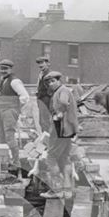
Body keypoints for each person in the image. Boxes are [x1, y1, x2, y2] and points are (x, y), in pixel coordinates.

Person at [41, 71, 78, 199]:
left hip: (60, 128)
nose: (51, 84)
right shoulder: (64, 90)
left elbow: (63, 102)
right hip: (68, 129)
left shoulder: (62, 91)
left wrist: (60, 113)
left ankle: (56, 189)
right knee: (64, 157)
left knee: (51, 157)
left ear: (59, 80)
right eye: (49, 82)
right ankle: (67, 190)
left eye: (53, 81)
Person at [0, 59, 30, 172]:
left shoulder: (15, 81)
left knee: (9, 135)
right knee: (1, 135)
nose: (3, 71)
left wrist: (16, 109)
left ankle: (16, 162)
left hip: (9, 110)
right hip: (0, 109)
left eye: (6, 69)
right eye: (2, 69)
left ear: (10, 69)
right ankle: (4, 159)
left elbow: (25, 97)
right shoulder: (3, 80)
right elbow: (4, 93)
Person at [35, 55, 53, 136]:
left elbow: (52, 88)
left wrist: (43, 94)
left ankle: (47, 140)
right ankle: (45, 138)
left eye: (42, 63)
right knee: (42, 121)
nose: (40, 65)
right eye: (39, 63)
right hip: (41, 99)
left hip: (45, 99)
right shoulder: (41, 73)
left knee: (45, 121)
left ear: (47, 63)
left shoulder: (49, 74)